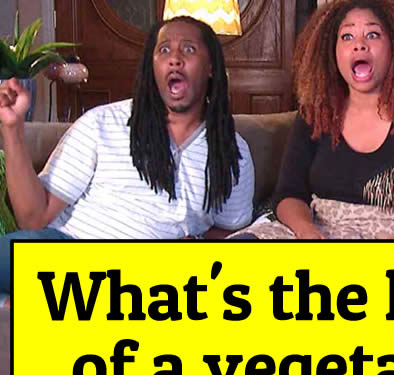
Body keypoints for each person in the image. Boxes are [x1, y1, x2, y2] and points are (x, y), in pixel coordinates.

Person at [0, 16, 255, 301]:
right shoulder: (102, 123)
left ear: (210, 68)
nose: (175, 59)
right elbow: (34, 218)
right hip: (71, 251)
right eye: (164, 50)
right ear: (152, 67)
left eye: (189, 49)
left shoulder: (232, 152)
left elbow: (231, 230)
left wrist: (195, 245)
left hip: (151, 278)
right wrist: (12, 129)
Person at [230, 0, 394, 241]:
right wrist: (306, 231)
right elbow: (288, 195)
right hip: (323, 231)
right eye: (347, 36)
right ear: (333, 52)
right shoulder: (315, 114)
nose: (360, 44)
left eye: (373, 34)